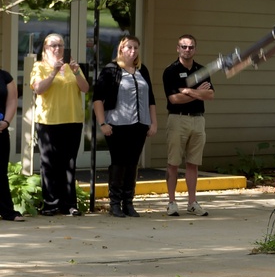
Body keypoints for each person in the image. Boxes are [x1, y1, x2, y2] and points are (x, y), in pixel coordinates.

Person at [93, 35, 158, 218]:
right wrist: (102, 123)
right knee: (119, 162)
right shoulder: (111, 69)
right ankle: (114, 203)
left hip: (140, 124)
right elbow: (98, 99)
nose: (133, 51)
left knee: (132, 163)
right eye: (129, 47)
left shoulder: (142, 70)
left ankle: (128, 202)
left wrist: (153, 122)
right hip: (117, 124)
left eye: (136, 47)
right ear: (121, 48)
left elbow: (151, 99)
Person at [29, 33, 89, 216]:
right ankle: (50, 204)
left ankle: (69, 204)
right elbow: (38, 89)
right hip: (49, 121)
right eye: (53, 45)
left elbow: (85, 88)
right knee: (49, 164)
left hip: (72, 120)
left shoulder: (72, 67)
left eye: (61, 45)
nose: (57, 48)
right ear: (45, 48)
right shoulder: (39, 66)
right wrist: (53, 72)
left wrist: (76, 71)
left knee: (69, 163)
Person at [162, 34, 214, 216]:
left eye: (191, 47)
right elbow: (174, 99)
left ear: (195, 49)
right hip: (178, 119)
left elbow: (210, 95)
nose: (187, 50)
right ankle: (171, 202)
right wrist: (198, 92)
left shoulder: (201, 70)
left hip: (198, 120)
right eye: (183, 46)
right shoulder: (171, 71)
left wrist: (188, 91)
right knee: (173, 162)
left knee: (193, 163)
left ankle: (192, 202)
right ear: (178, 48)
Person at [1, 67, 24, 222]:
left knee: (0, 172)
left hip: (0, 129)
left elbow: (12, 101)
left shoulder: (5, 77)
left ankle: (7, 211)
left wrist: (6, 122)